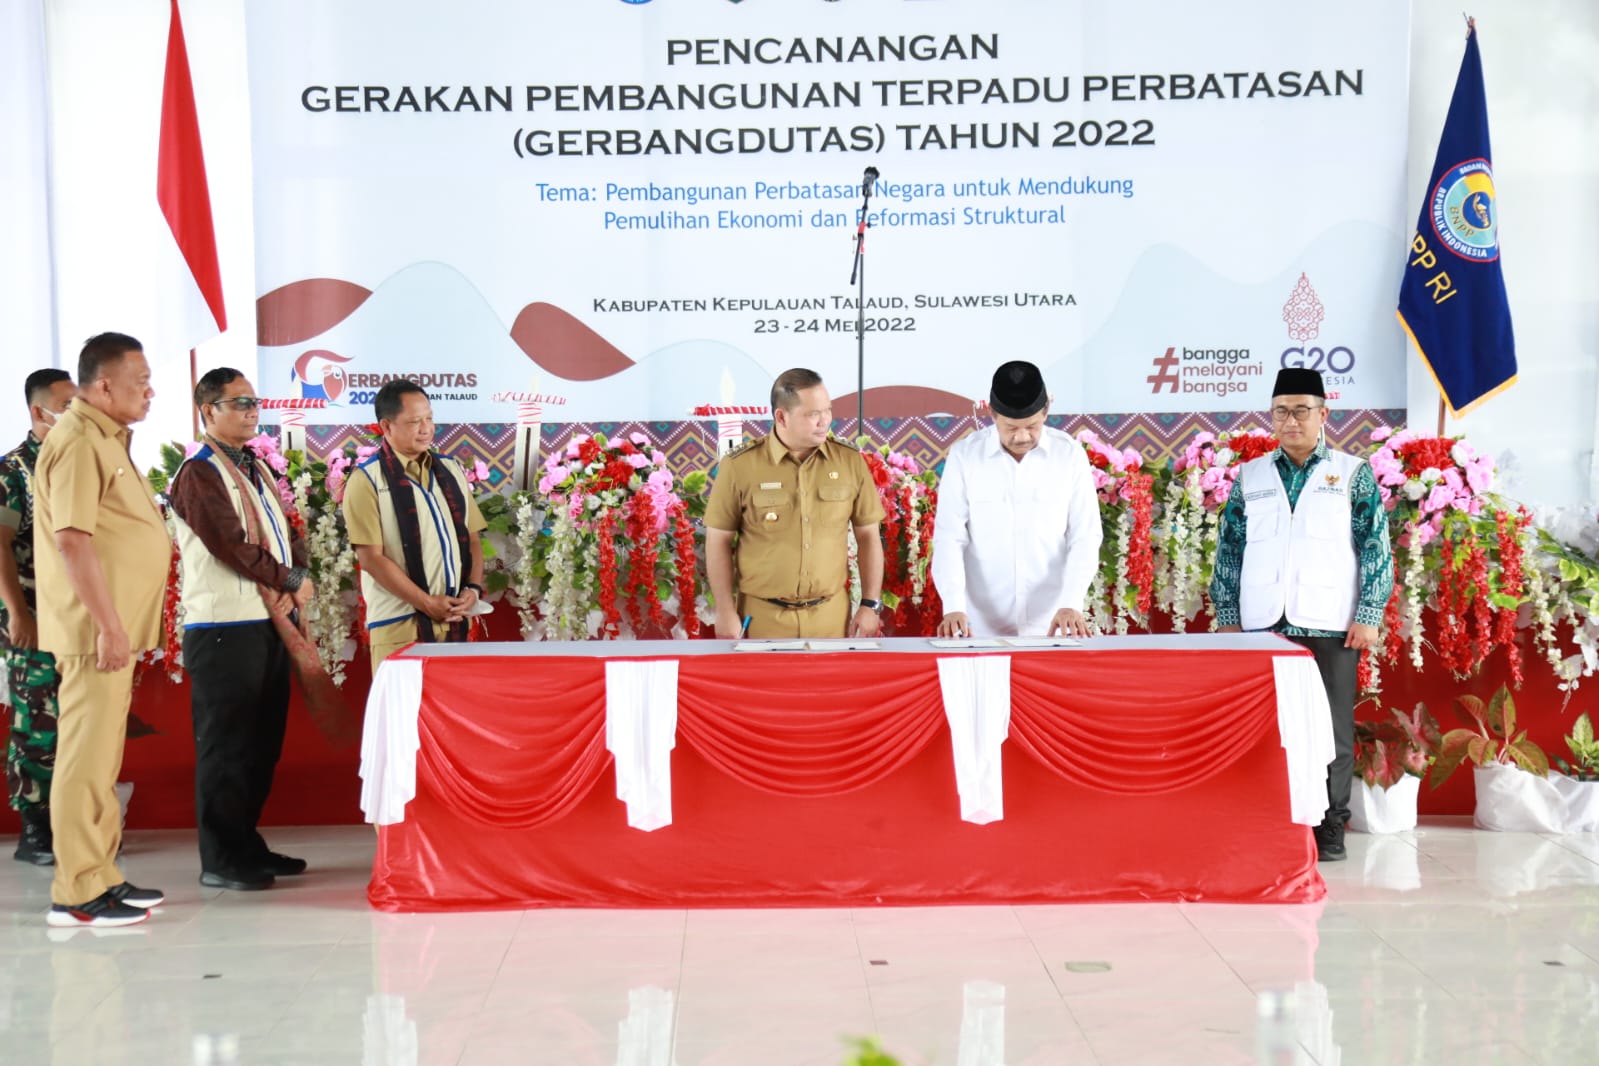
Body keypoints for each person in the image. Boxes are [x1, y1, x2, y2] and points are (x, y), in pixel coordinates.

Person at [1210, 367, 1393, 863]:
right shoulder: (1251, 476)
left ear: (1323, 415)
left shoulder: (1351, 474)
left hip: (1330, 622)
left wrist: (1370, 612)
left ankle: (1330, 826)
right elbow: (1230, 549)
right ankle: (1267, 818)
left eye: (1301, 411)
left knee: (1332, 731)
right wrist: (1227, 613)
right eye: (1281, 412)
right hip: (1261, 625)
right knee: (1262, 727)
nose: (1291, 421)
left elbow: (1376, 546)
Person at [33, 333, 169, 927]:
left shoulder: (107, 439)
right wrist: (109, 625)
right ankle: (76, 889)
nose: (150, 390)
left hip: (112, 631)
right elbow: (72, 540)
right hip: (94, 631)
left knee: (101, 757)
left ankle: (103, 873)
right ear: (104, 383)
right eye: (140, 379)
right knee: (83, 758)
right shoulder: (77, 441)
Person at [168, 369, 313, 891]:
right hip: (224, 626)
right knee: (227, 746)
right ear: (208, 411)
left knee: (260, 743)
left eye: (255, 401)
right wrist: (291, 578)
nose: (253, 410)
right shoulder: (200, 471)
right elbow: (229, 545)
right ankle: (220, 858)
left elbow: (282, 532)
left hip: (265, 620)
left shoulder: (251, 466)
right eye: (240, 402)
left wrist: (297, 570)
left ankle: (245, 843)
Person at [705, 368, 886, 640]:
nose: (824, 421)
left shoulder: (849, 462)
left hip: (831, 619)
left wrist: (870, 604)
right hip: (761, 620)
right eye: (813, 414)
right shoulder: (739, 466)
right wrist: (725, 611)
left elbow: (868, 536)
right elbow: (718, 541)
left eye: (828, 410)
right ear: (781, 416)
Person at [933, 361, 1103, 638]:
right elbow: (949, 537)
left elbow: (1085, 535)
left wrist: (1072, 603)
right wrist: (953, 606)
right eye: (1011, 427)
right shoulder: (965, 456)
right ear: (992, 413)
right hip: (978, 626)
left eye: (1033, 425)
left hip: (1054, 623)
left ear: (1046, 410)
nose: (1023, 436)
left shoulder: (1069, 455)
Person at [341, 380, 486, 667]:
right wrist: (425, 602)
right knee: (402, 711)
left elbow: (472, 540)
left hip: (454, 622)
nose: (426, 428)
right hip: (399, 625)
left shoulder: (451, 469)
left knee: (450, 711)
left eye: (429, 418)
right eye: (414, 421)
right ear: (386, 426)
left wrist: (473, 589)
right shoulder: (366, 480)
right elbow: (371, 558)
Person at [1, 369, 77, 865]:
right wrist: (18, 614)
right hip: (34, 614)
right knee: (38, 720)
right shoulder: (14, 471)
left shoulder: (75, 462)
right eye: (66, 405)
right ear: (38, 411)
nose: (75, 414)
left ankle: (74, 821)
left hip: (76, 616)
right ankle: (35, 827)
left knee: (78, 719)